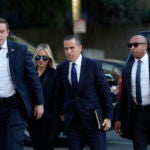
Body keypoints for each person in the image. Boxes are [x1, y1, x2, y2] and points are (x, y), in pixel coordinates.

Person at [55, 34, 113, 150]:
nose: (68, 52)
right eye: (66, 49)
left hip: (94, 120)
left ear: (80, 48)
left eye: (72, 48)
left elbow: (105, 92)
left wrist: (108, 117)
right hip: (72, 121)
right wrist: (61, 112)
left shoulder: (93, 65)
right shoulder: (61, 68)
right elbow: (59, 92)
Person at [0, 17, 44, 150]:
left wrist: (39, 103)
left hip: (15, 105)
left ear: (8, 32)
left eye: (2, 31)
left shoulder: (20, 50)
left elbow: (33, 78)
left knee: (14, 145)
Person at [114, 35, 150, 150]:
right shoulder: (127, 68)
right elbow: (123, 96)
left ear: (145, 46)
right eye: (130, 45)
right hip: (136, 114)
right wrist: (118, 118)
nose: (132, 48)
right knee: (139, 147)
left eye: (135, 45)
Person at [28, 44, 61, 150]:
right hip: (33, 117)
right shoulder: (30, 73)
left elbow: (57, 97)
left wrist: (55, 116)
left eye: (44, 58)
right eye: (38, 57)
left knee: (47, 146)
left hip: (50, 118)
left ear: (49, 59)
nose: (41, 60)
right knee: (36, 145)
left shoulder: (55, 74)